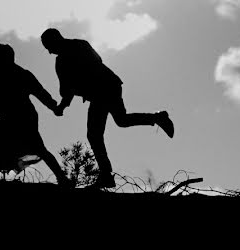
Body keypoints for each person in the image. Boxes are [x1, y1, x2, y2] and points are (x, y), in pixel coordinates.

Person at [40, 28, 174, 189]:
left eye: (48, 46)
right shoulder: (76, 48)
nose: (48, 52)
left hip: (103, 90)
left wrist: (62, 105)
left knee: (94, 134)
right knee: (121, 120)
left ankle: (105, 176)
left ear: (55, 40)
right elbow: (69, 88)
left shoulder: (66, 57)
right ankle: (157, 117)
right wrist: (62, 105)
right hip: (110, 85)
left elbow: (71, 86)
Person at [0, 43, 72, 187]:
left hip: (25, 116)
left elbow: (40, 92)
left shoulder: (23, 74)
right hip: (9, 117)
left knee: (38, 148)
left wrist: (54, 107)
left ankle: (62, 179)